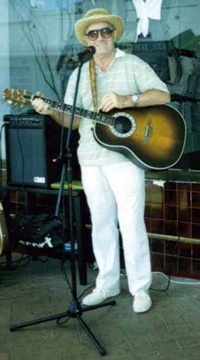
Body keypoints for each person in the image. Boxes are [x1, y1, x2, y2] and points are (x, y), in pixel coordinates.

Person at [32, 8, 170, 313]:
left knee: (131, 223)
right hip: (91, 159)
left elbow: (163, 95)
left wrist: (127, 101)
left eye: (105, 31)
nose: (100, 37)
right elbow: (71, 120)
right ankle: (106, 284)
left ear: (114, 34)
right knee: (102, 224)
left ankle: (140, 288)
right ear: (86, 40)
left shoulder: (132, 63)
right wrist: (50, 111)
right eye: (93, 33)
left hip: (125, 158)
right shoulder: (80, 73)